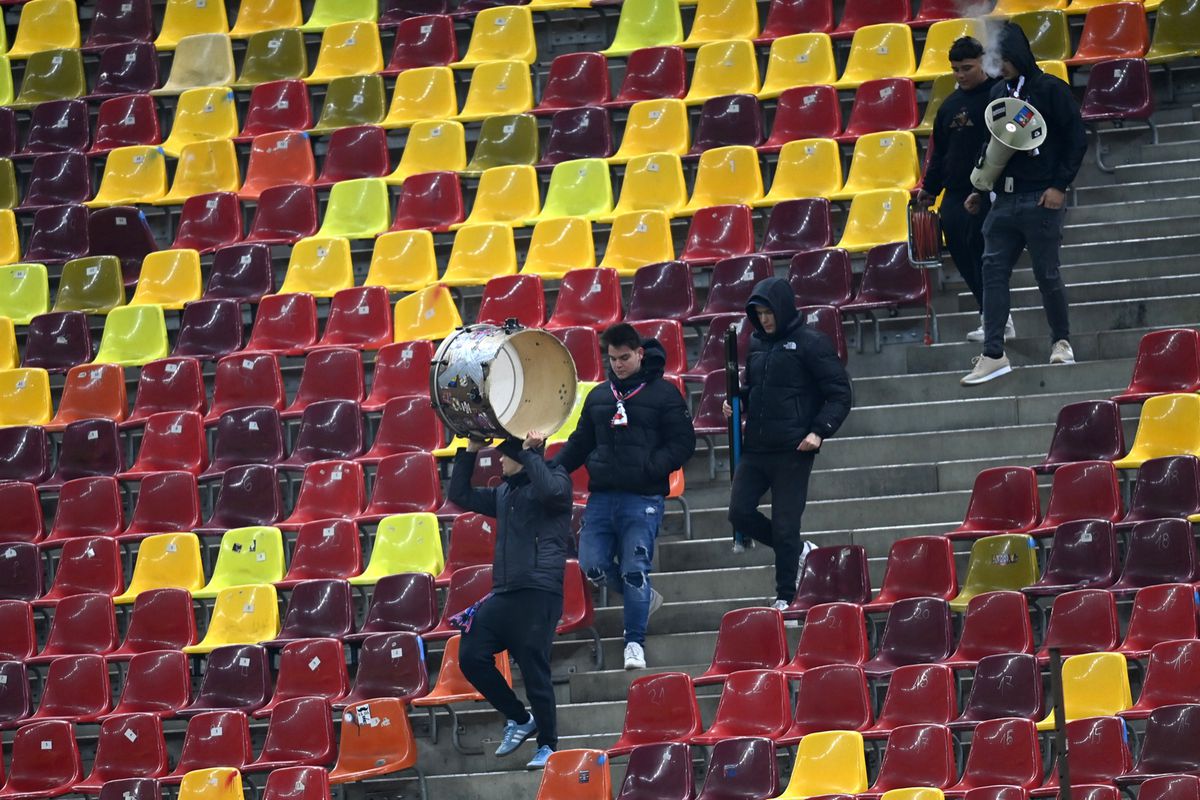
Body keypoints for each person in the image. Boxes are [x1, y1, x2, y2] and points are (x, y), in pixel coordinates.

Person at [551, 323, 696, 670]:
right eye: (612, 358)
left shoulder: (663, 394)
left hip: (642, 498)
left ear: (640, 353)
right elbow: (579, 443)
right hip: (602, 497)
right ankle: (644, 597)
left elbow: (683, 443)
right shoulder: (599, 396)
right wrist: (551, 470)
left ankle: (634, 642)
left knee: (634, 569)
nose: (618, 364)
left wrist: (651, 467)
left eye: (625, 357)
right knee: (591, 565)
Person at [961, 21, 1088, 386]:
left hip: (1041, 197)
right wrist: (981, 189)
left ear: (1016, 53)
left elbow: (1076, 140)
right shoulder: (997, 92)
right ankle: (994, 353)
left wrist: (1060, 185)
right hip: (1004, 199)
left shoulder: (1050, 89)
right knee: (992, 272)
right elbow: (992, 143)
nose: (997, 65)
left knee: (1046, 274)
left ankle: (1061, 341)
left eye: (1001, 57)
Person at [723, 277, 853, 611]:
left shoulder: (811, 342)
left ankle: (786, 597)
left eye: (769, 312)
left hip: (794, 449)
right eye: (759, 313)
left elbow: (840, 394)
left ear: (783, 308)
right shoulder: (755, 344)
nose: (765, 319)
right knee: (739, 512)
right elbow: (757, 390)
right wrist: (739, 402)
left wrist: (819, 431)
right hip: (755, 447)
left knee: (784, 526)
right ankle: (798, 551)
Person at [449, 431, 573, 770]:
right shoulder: (504, 493)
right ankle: (519, 718)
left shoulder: (557, 479)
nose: (500, 460)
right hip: (504, 591)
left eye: (506, 454)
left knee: (534, 669)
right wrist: (469, 451)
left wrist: (531, 454)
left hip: (539, 591)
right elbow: (458, 493)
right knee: (471, 655)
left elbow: (550, 491)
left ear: (522, 457)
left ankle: (547, 744)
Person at [917, 36, 1007, 344]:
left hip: (987, 190)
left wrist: (985, 190)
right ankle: (989, 314)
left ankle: (999, 319)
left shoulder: (998, 96)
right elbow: (940, 153)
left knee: (984, 255)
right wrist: (929, 187)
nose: (960, 75)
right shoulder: (949, 106)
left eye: (966, 68)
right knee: (961, 254)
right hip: (954, 193)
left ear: (983, 61)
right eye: (955, 69)